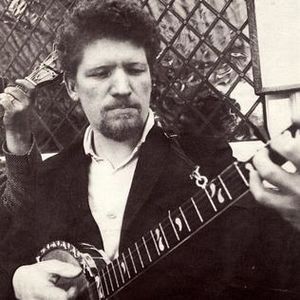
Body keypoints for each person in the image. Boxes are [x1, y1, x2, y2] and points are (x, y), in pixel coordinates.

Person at [0, 0, 299, 299]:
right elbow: (10, 258)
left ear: (150, 77)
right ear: (71, 87)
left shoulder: (205, 161)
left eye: (134, 69)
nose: (122, 87)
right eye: (101, 73)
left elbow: (278, 269)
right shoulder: (51, 178)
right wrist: (18, 280)